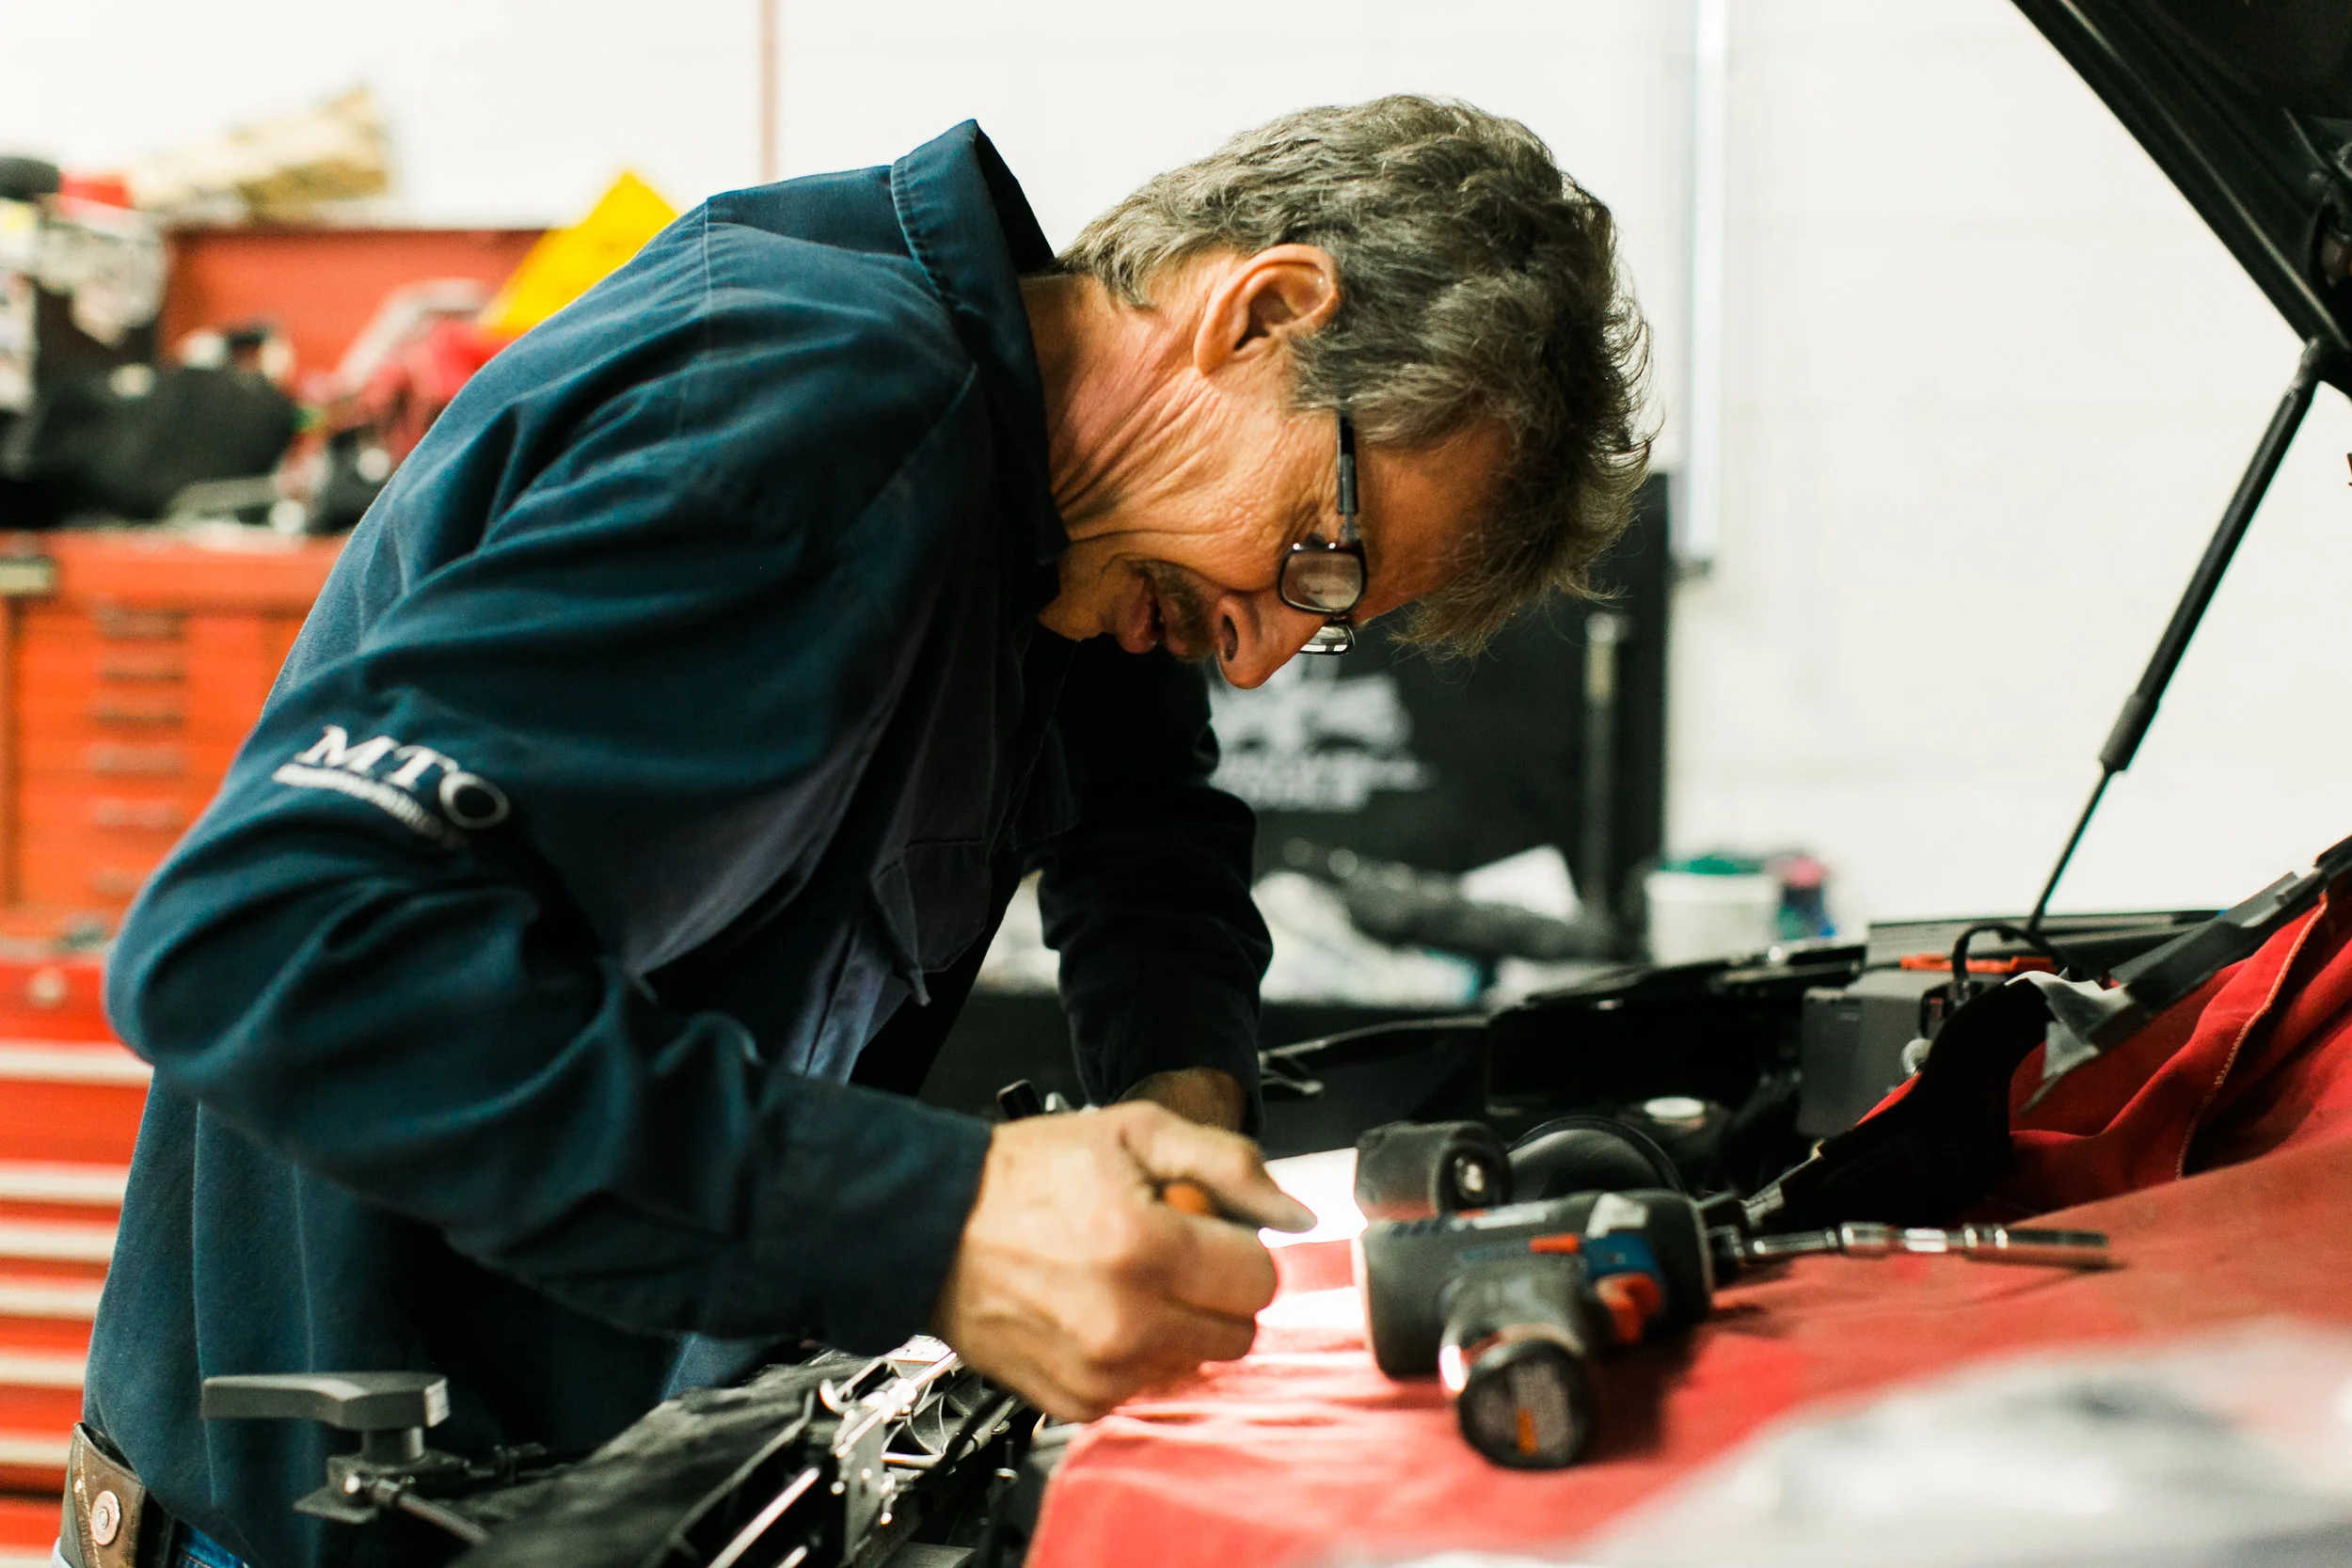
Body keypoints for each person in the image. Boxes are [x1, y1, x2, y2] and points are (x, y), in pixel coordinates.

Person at [83, 95, 1648, 1568]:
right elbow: (263, 945)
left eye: (1331, 618)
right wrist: (943, 1217)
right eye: (1318, 554)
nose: (1258, 652)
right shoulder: (822, 412)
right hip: (290, 1518)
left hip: (579, 1484)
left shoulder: (1064, 502)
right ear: (1262, 311)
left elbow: (1147, 814)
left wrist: (1182, 1090)